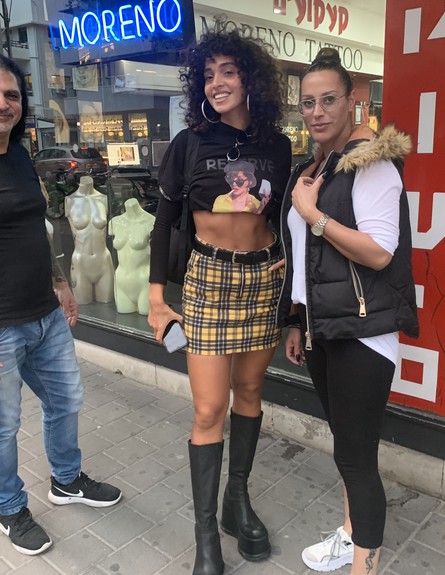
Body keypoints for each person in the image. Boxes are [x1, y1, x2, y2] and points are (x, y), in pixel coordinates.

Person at [148, 30, 291, 575]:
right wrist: (157, 299)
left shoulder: (277, 146)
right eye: (208, 75)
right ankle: (206, 535)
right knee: (209, 409)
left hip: (262, 282)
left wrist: (289, 268)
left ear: (249, 78)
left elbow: (283, 219)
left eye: (228, 71)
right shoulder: (189, 143)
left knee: (250, 392)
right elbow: (164, 224)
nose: (217, 83)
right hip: (208, 282)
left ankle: (238, 500)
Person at [275, 48, 418, 575]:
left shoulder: (370, 163)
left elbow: (378, 252)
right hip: (323, 328)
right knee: (346, 450)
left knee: (357, 460)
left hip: (363, 332)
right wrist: (296, 319)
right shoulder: (315, 167)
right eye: (308, 102)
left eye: (328, 100)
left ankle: (365, 565)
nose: (317, 112)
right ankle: (352, 534)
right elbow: (307, 257)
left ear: (352, 100)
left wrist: (313, 215)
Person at [0, 55, 122, 557]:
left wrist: (59, 282)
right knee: (4, 427)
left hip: (44, 313)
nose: (4, 104)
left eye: (11, 95)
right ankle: (9, 508)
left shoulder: (18, 155)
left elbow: (37, 227)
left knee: (66, 401)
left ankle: (66, 481)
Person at [65, 176, 114, 305]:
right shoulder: (70, 200)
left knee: (107, 307)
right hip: (80, 262)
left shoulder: (103, 199)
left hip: (103, 261)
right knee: (83, 309)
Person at [108, 198, 155, 315]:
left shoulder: (151, 221)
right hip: (121, 280)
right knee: (123, 316)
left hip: (144, 279)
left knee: (145, 318)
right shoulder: (115, 222)